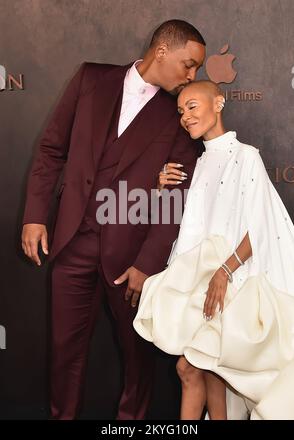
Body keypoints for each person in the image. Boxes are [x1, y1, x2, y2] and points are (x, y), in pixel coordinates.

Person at [21, 20, 206, 420]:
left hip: (132, 257)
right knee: (63, 354)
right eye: (188, 65)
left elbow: (176, 194)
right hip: (71, 244)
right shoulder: (91, 78)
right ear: (162, 51)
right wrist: (35, 216)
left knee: (138, 360)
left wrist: (148, 263)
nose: (192, 76)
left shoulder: (180, 112)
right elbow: (52, 149)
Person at [134, 80, 294, 420]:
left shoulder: (246, 156)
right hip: (206, 287)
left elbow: (261, 229)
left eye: (193, 106)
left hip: (235, 287)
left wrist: (225, 272)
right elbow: (186, 226)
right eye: (181, 111)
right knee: (200, 372)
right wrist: (160, 188)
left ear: (219, 104)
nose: (185, 117)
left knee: (193, 368)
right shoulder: (198, 163)